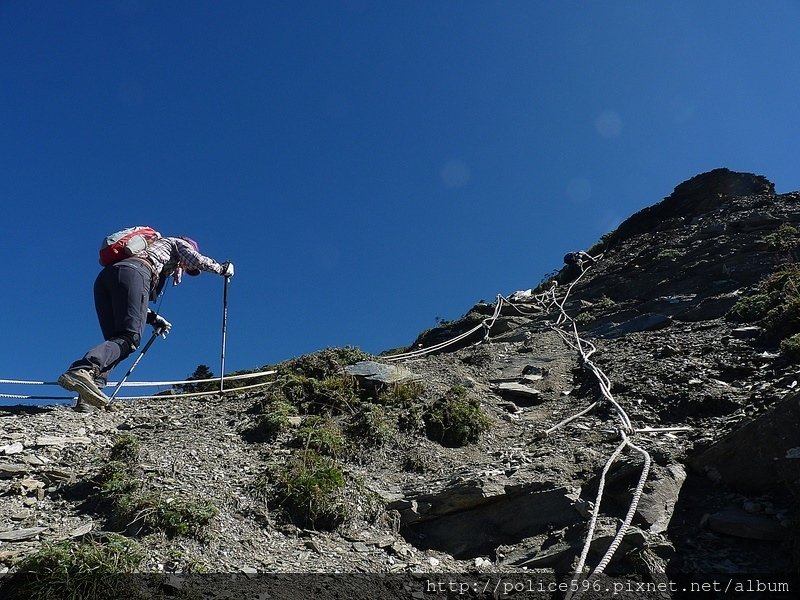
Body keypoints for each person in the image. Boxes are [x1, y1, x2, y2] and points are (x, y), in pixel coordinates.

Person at [58, 235, 234, 411]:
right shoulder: (177, 243)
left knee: (117, 341)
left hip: (106, 279)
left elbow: (129, 301)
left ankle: (88, 398)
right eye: (187, 268)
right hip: (134, 272)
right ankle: (82, 369)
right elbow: (194, 258)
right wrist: (221, 269)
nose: (186, 269)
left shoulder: (145, 253)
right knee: (129, 338)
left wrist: (154, 318)